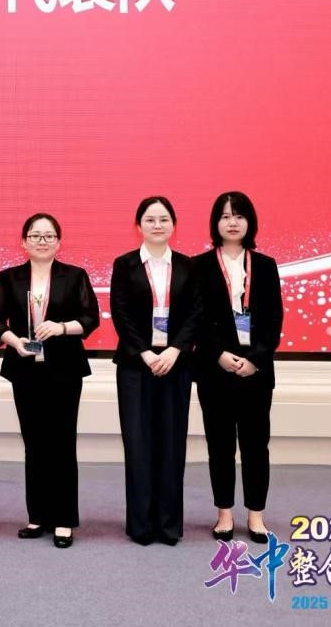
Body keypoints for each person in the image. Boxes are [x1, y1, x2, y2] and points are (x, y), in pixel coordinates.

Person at [0, 213, 99, 549]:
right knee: (34, 443)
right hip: (24, 367)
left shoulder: (75, 276)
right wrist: (14, 340)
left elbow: (90, 318)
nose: (42, 241)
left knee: (62, 442)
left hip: (64, 368)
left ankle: (64, 519)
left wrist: (61, 327)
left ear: (59, 242)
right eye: (35, 235)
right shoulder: (9, 277)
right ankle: (37, 515)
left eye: (49, 236)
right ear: (24, 242)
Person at [110, 195, 202, 546]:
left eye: (164, 219)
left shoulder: (188, 266)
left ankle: (168, 525)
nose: (157, 225)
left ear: (174, 225)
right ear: (139, 226)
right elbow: (120, 313)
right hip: (136, 366)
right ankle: (141, 526)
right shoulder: (124, 264)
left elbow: (195, 312)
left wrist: (176, 349)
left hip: (177, 365)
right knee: (138, 445)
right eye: (150, 219)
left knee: (172, 444)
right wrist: (147, 353)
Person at [193, 191, 283, 544]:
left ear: (250, 222)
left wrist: (255, 359)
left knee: (256, 446)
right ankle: (224, 513)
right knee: (220, 445)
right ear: (215, 223)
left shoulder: (266, 266)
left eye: (239, 216)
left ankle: (256, 515)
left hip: (255, 372)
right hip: (215, 370)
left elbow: (273, 319)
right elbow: (196, 319)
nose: (232, 222)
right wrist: (217, 353)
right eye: (225, 216)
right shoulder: (199, 266)